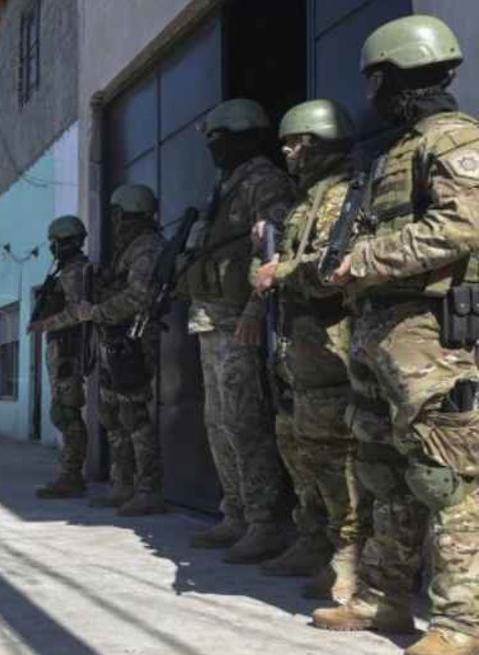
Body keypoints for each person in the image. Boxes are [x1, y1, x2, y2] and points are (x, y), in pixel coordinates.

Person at [317, 16, 479, 654]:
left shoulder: (452, 138)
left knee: (448, 477)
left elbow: (462, 227)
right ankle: (384, 599)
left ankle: (462, 624)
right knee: (384, 473)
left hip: (432, 336)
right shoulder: (395, 149)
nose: (369, 95)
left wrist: (364, 260)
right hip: (381, 331)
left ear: (390, 76)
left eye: (373, 82)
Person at [253, 99, 365, 602]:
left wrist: (282, 270)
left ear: (317, 143)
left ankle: (349, 560)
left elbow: (330, 271)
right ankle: (313, 540)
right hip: (299, 350)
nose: (287, 151)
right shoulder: (305, 201)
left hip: (331, 349)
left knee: (337, 458)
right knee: (301, 450)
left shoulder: (344, 196)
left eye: (294, 142)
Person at [186, 98, 294, 562]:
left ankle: (264, 522)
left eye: (217, 139)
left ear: (242, 136)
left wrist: (255, 309)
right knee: (219, 422)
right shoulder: (223, 186)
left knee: (245, 422)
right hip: (212, 318)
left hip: (240, 322)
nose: (212, 149)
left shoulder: (264, 181)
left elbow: (277, 248)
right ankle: (236, 513)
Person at [82, 184, 167, 516]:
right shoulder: (127, 247)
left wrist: (97, 312)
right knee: (112, 415)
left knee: (134, 415)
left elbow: (139, 296)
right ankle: (123, 484)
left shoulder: (146, 248)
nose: (115, 221)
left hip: (134, 339)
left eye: (119, 213)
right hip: (115, 339)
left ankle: (149, 489)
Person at [29, 215, 92, 499]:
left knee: (67, 413)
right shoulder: (64, 270)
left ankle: (72, 475)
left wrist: (46, 325)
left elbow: (80, 311)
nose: (52, 248)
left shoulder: (76, 271)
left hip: (69, 349)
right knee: (61, 412)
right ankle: (69, 473)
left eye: (54, 242)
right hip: (60, 348)